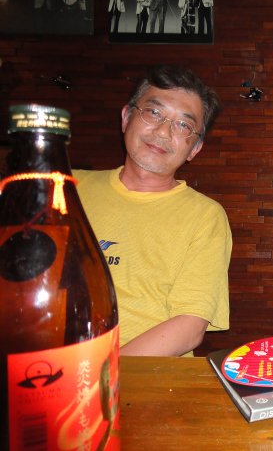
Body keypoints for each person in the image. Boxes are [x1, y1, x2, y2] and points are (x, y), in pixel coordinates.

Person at [75, 65, 232, 357]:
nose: (162, 131)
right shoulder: (66, 187)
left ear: (195, 149)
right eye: (154, 112)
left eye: (183, 125)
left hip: (143, 376)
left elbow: (189, 326)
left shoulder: (205, 216)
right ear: (126, 118)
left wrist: (99, 375)